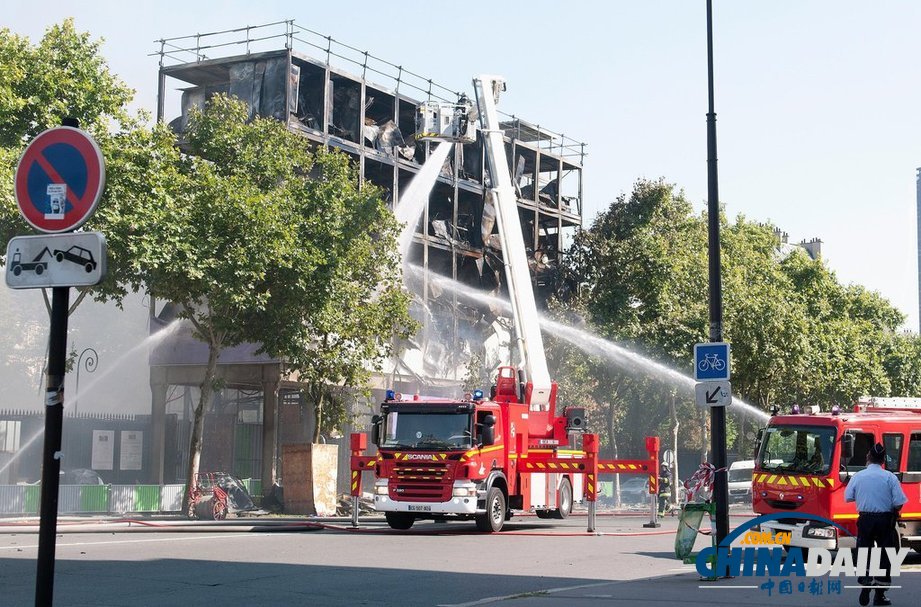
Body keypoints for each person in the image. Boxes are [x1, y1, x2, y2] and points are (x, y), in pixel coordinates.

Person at [844, 442, 907, 606]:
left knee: (864, 551)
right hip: (885, 520)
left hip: (865, 519)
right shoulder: (890, 477)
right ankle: (879, 595)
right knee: (885, 555)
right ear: (883, 460)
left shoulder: (858, 476)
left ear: (868, 458)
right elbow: (899, 502)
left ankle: (865, 584)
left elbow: (848, 497)